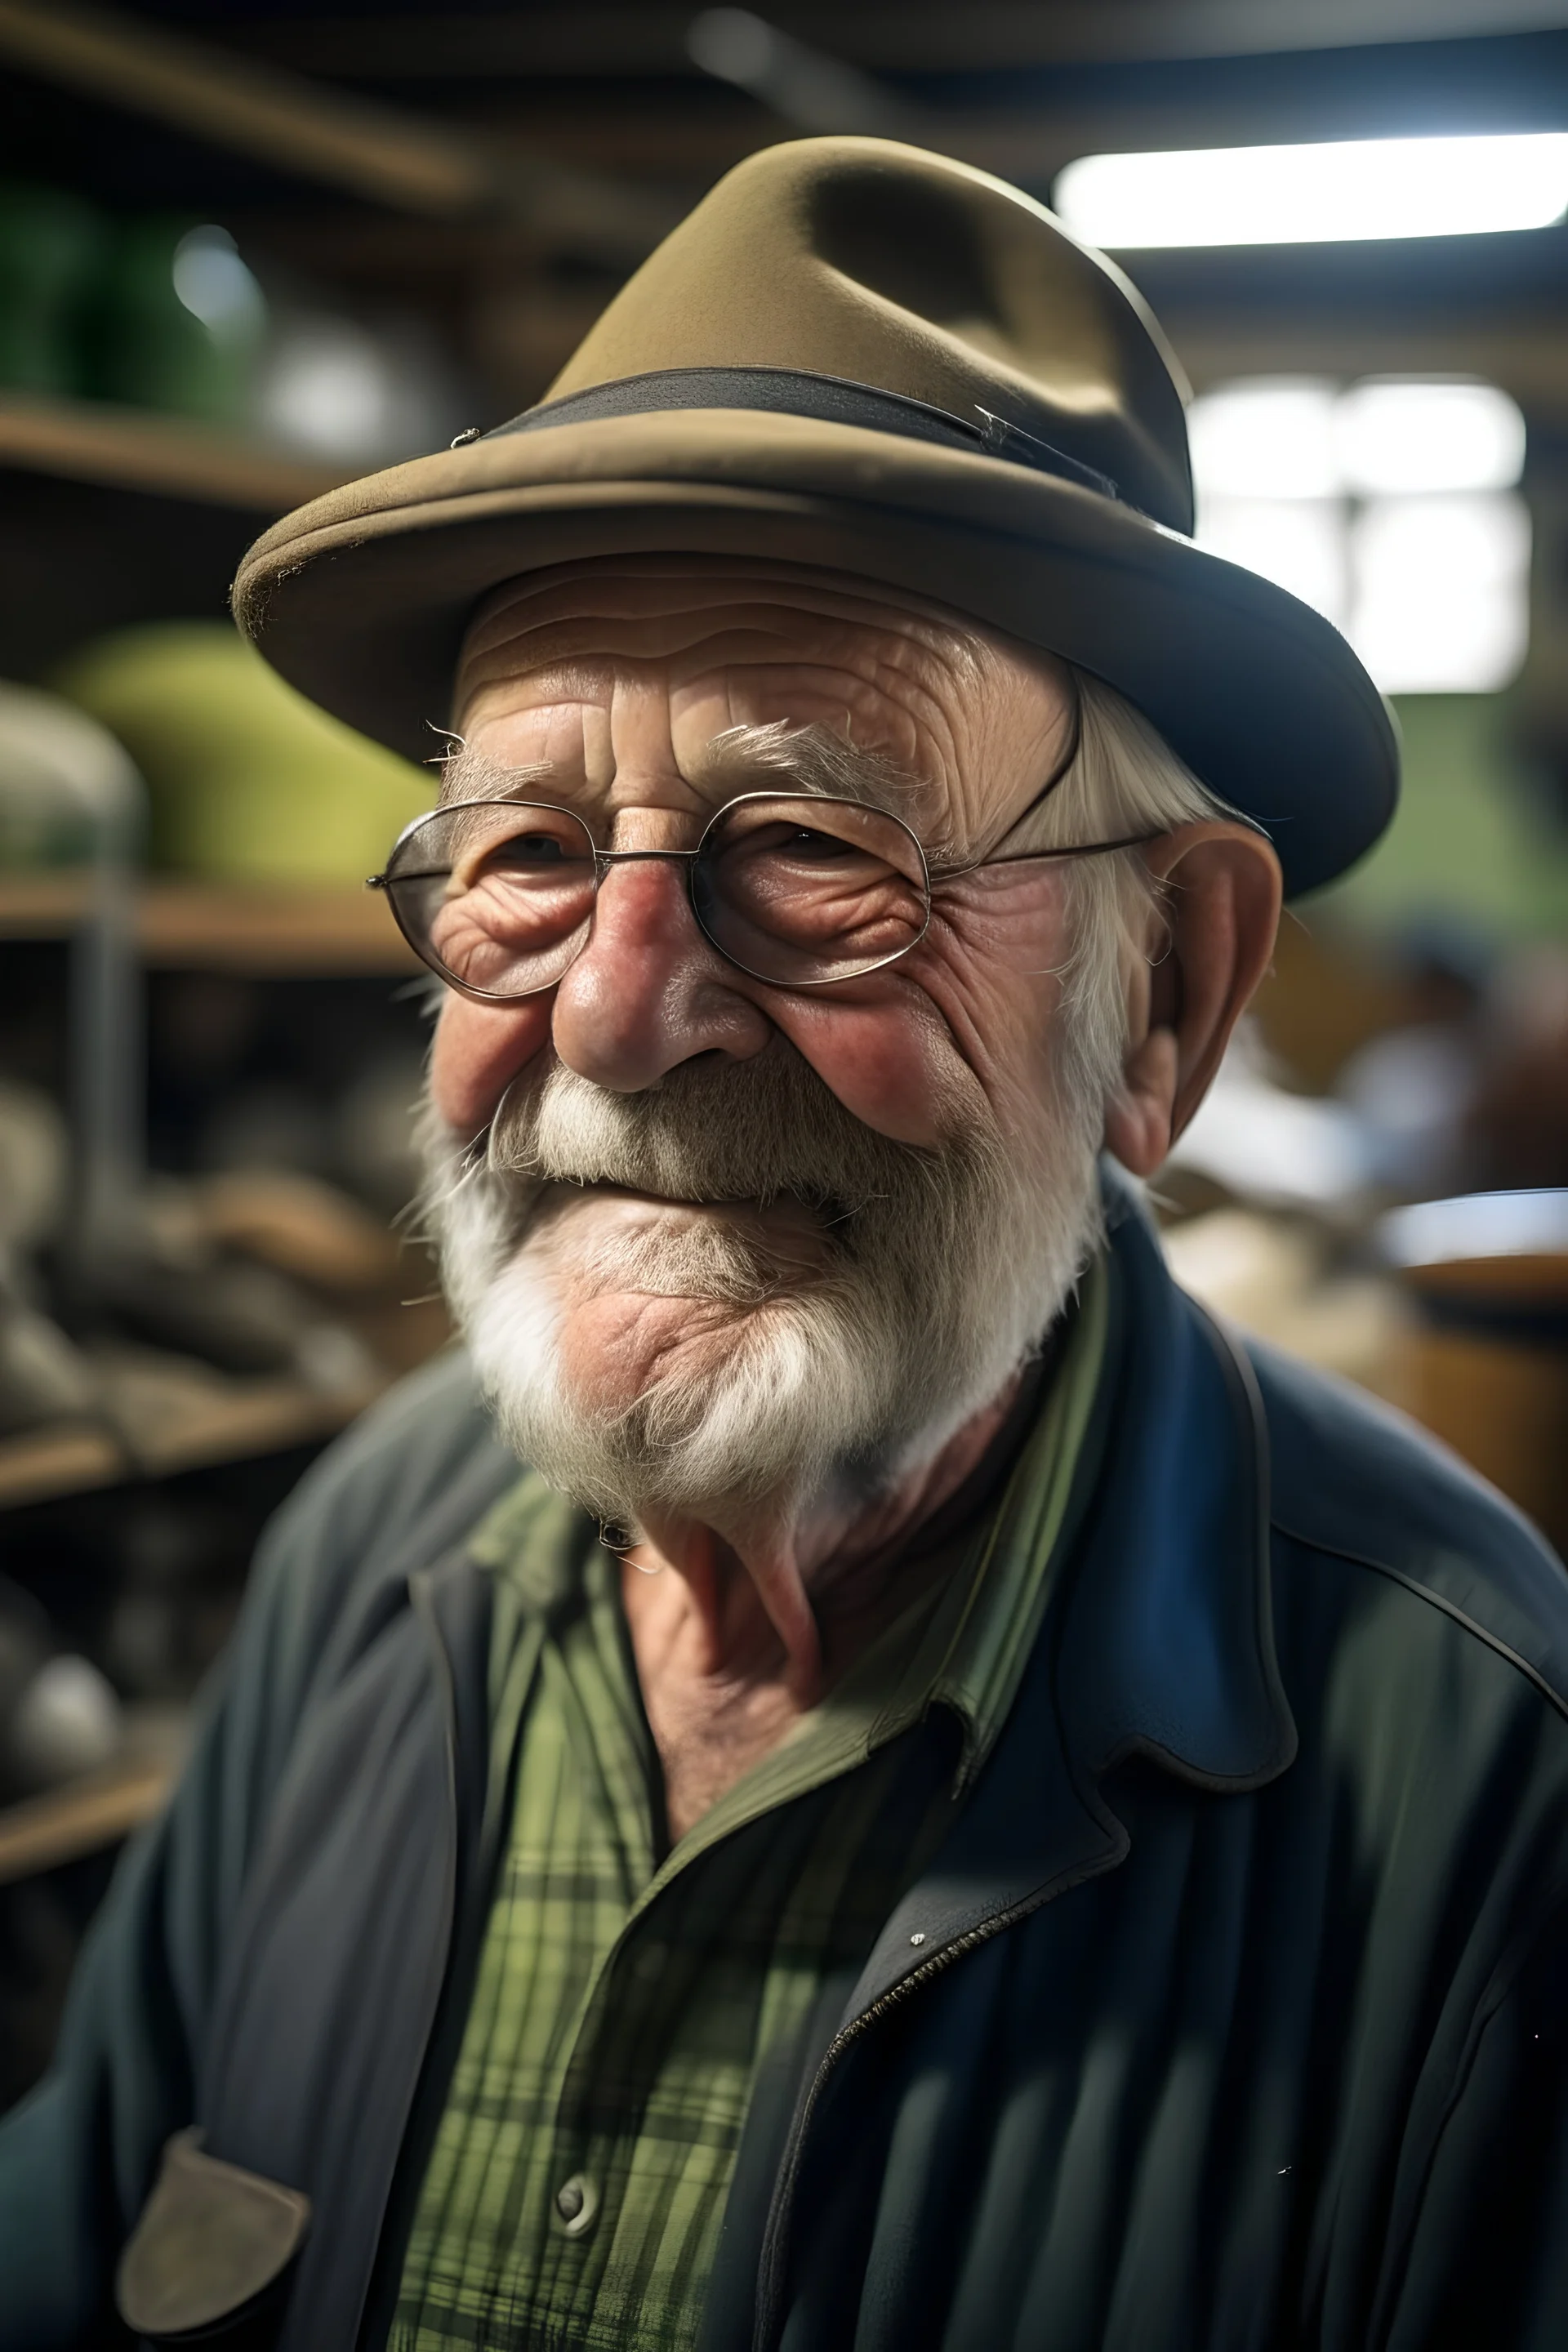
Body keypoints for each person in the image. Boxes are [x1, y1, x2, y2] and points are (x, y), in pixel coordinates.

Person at [5, 137, 1567, 2352]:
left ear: (1164, 994)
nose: (620, 1013)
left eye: (818, 843)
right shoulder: (377, 1557)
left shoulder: (1492, 1789)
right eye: (525, 851)